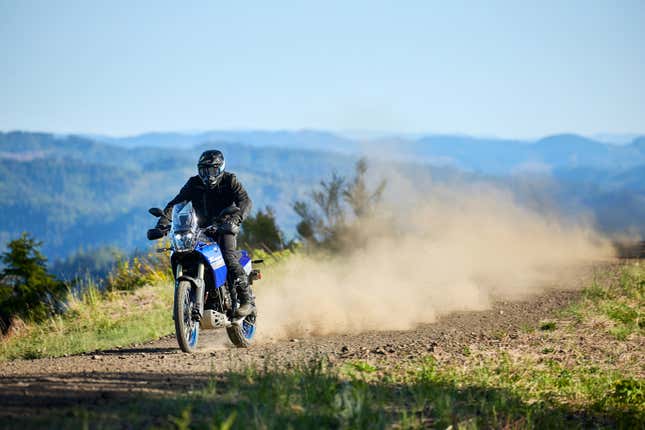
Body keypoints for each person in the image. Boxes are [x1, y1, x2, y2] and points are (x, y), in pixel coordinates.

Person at [156, 149, 254, 316]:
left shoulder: (230, 180)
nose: (208, 174)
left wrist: (236, 220)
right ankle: (200, 293)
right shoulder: (193, 183)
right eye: (204, 170)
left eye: (213, 170)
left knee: (228, 256)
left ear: (221, 168)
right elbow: (175, 203)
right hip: (199, 229)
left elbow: (245, 201)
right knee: (183, 253)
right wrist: (162, 223)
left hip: (226, 226)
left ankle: (246, 300)